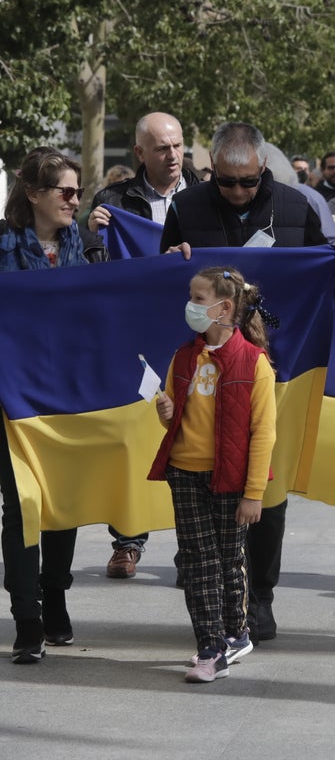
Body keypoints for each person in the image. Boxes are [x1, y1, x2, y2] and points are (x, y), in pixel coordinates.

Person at [162, 122, 335, 642]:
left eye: (248, 182)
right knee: (204, 477)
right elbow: (163, 276)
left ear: (264, 171)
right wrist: (167, 263)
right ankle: (212, 588)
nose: (236, 192)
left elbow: (328, 268)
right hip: (207, 369)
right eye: (226, 182)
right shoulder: (186, 209)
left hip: (278, 369)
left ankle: (260, 597)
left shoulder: (298, 208)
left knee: (263, 487)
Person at [1, 147, 106, 663]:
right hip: (12, 399)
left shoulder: (89, 246)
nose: (75, 200)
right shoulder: (0, 248)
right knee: (22, 507)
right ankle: (27, 618)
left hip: (69, 396)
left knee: (62, 504)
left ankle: (56, 595)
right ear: (34, 195)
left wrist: (172, 264)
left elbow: (115, 304)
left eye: (79, 191)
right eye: (66, 191)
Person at [88, 112, 202, 578]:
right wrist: (92, 233)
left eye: (177, 146)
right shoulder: (113, 202)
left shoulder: (204, 196)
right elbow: (98, 270)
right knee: (132, 436)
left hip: (193, 333)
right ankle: (128, 541)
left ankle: (190, 551)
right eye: (161, 148)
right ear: (140, 154)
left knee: (194, 438)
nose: (172, 156)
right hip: (137, 338)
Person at [149, 266, 275, 683]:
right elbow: (176, 419)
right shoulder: (183, 356)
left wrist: (254, 492)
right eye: (191, 296)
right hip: (184, 473)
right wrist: (166, 413)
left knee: (228, 559)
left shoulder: (255, 363)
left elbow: (263, 434)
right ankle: (211, 646)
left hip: (231, 479)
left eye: (198, 298)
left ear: (225, 308)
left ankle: (237, 633)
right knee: (198, 561)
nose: (191, 305)